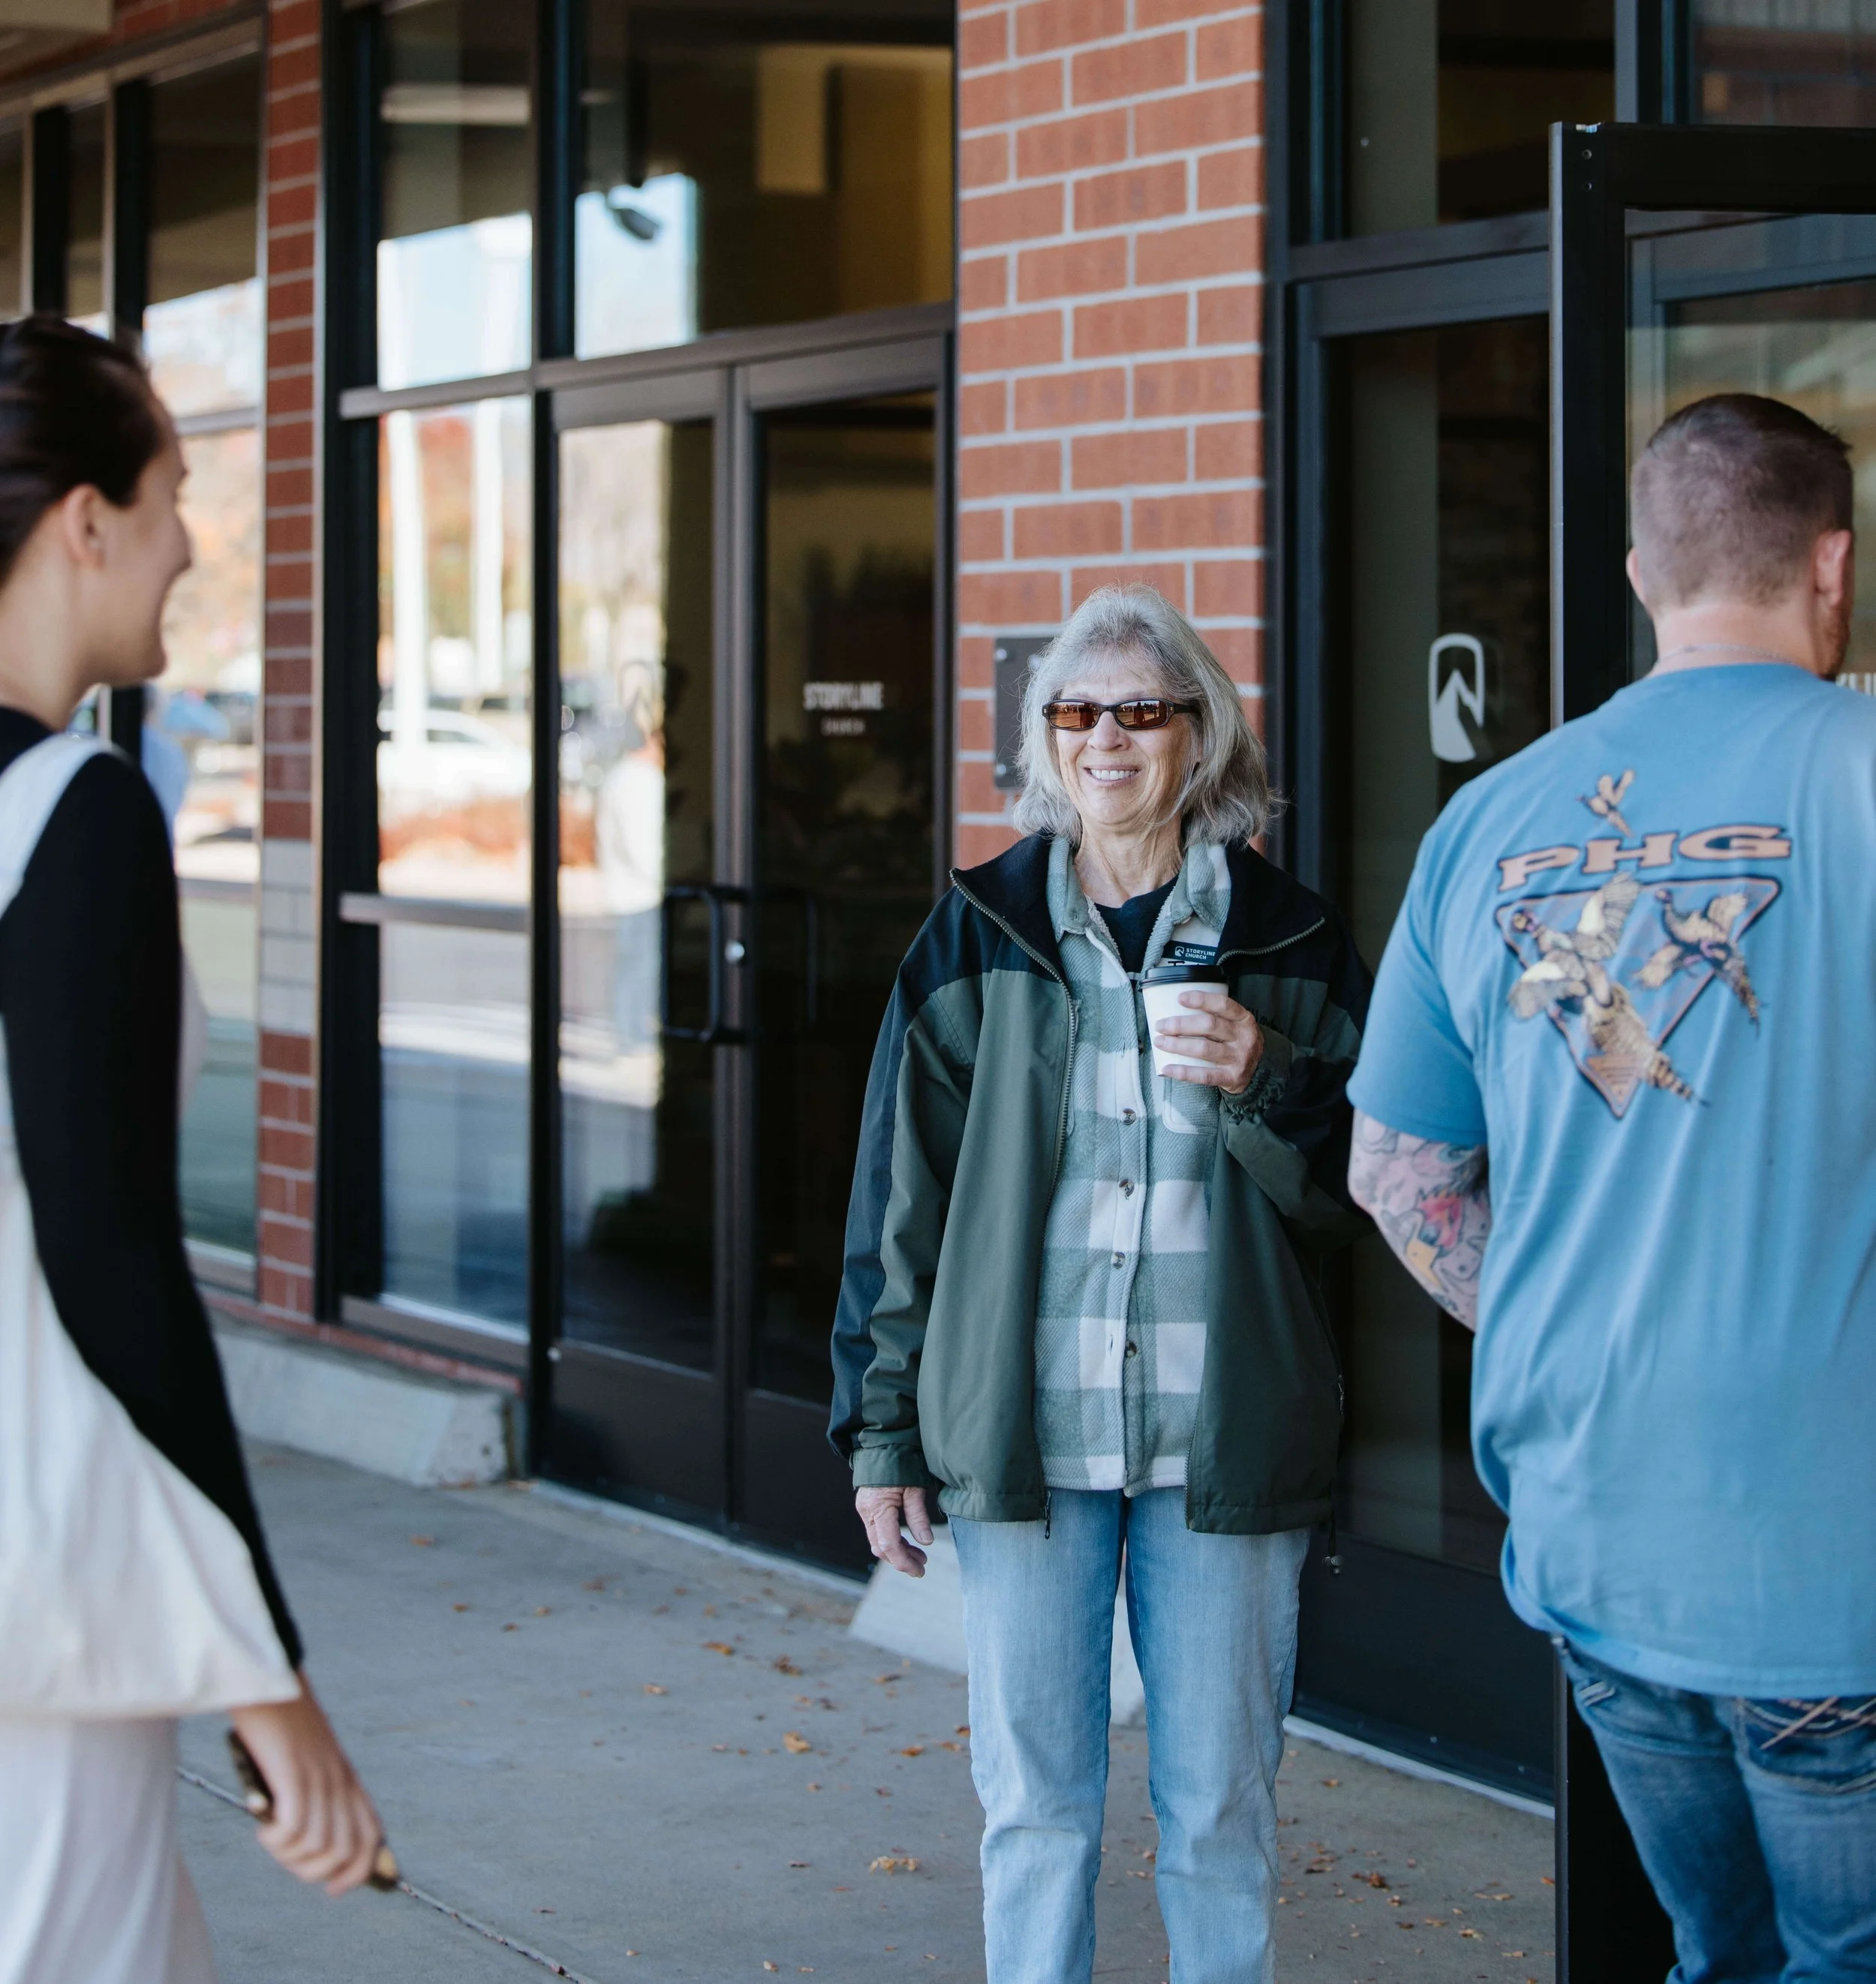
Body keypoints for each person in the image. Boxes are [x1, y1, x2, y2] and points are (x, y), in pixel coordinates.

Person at [1346, 393, 1876, 1977]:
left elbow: (1398, 1173)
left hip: (1586, 1526)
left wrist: (1551, 1307)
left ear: (1642, 571)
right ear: (1832, 562)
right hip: (1829, 1554)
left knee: (1713, 1952)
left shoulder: (1482, 820)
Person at [830, 585, 1370, 1984]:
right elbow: (901, 1213)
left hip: (1223, 1436)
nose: (1108, 739)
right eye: (1077, 712)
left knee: (1220, 1811)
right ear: (1046, 739)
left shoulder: (1290, 940)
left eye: (1143, 710)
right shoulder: (977, 934)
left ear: (1204, 734)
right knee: (1036, 1810)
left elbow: (1370, 1183)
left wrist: (1270, 1077)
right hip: (1027, 1435)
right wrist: (883, 1429)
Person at [0, 317, 382, 1984]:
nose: (191, 544)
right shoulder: (73, 812)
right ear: (81, 519)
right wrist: (268, 1676)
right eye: (169, 495)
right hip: (41, 1579)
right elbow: (109, 1264)